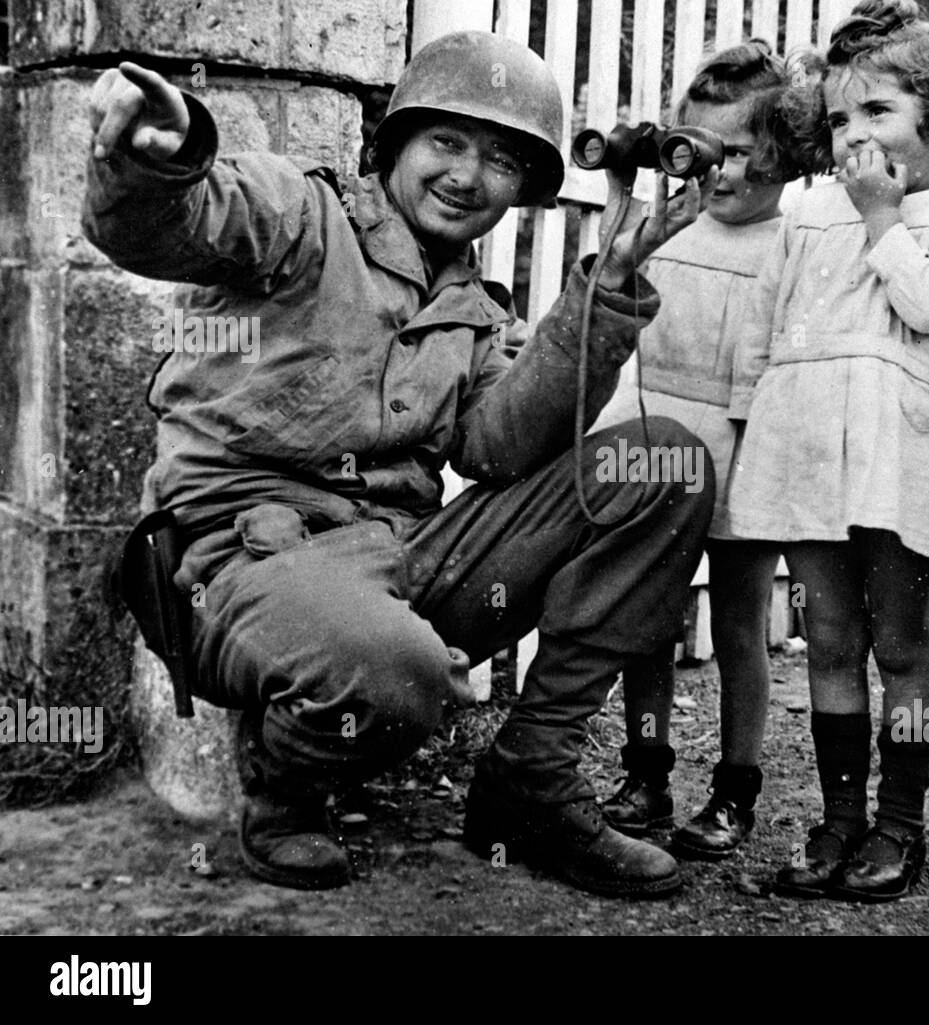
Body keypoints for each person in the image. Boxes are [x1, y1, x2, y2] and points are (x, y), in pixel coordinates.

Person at [83, 31, 719, 899]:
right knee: (392, 665)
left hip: (401, 560)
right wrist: (162, 156)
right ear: (397, 143)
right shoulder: (303, 215)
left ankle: (530, 776)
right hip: (237, 565)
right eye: (447, 142)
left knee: (665, 464)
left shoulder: (470, 306)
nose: (467, 175)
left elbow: (497, 446)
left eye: (501, 159)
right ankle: (285, 789)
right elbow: (176, 223)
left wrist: (608, 282)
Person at [726, 2, 929, 901]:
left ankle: (900, 825)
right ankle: (839, 821)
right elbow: (764, 331)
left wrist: (884, 216)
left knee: (898, 637)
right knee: (830, 638)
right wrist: (746, 427)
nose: (854, 136)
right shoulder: (805, 215)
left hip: (898, 452)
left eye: (879, 112)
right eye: (840, 118)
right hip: (806, 442)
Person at [591, 41, 808, 859]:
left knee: (741, 624)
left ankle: (735, 788)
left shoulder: (791, 243)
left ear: (786, 155)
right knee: (648, 617)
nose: (718, 172)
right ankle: (646, 771)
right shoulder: (664, 227)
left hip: (741, 445)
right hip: (655, 442)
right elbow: (614, 312)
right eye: (701, 149)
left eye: (742, 153)